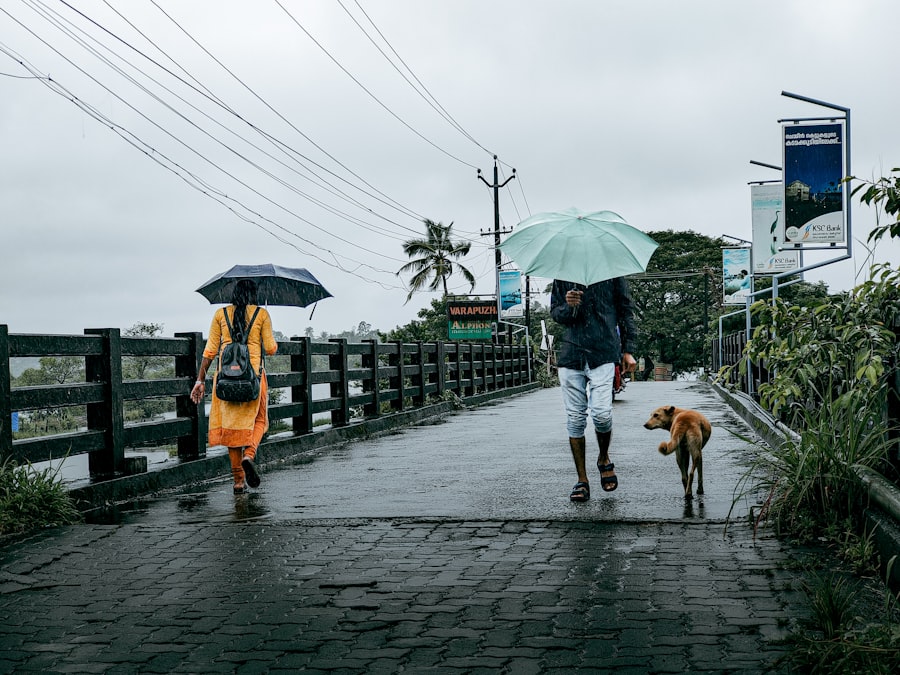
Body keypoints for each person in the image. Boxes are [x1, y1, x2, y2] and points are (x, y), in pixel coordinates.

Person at [550, 277, 637, 502]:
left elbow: (626, 312)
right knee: (575, 419)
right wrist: (568, 306)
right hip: (572, 354)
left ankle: (603, 457)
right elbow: (556, 314)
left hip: (604, 352)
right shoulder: (563, 277)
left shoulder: (613, 275)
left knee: (601, 414)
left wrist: (628, 350)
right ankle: (582, 480)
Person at [190, 280, 278, 494]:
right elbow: (270, 348)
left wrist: (200, 380)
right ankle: (249, 454)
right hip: (253, 379)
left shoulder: (221, 314)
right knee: (259, 420)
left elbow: (210, 350)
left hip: (226, 381)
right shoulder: (261, 314)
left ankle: (238, 482)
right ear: (253, 295)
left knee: (232, 430)